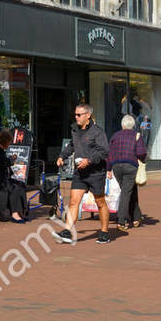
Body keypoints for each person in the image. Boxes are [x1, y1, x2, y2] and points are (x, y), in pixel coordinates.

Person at [54, 103, 111, 244]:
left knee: (100, 202)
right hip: (80, 173)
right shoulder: (75, 130)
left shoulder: (98, 132)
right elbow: (72, 145)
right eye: (75, 114)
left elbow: (104, 151)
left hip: (96, 173)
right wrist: (62, 156)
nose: (76, 117)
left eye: (79, 115)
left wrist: (89, 160)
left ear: (88, 115)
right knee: (73, 202)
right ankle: (67, 232)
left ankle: (104, 232)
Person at [108, 114, 148, 231]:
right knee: (127, 192)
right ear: (133, 125)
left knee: (130, 190)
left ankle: (136, 217)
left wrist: (108, 168)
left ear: (122, 125)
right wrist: (143, 159)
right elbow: (141, 153)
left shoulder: (115, 136)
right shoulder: (137, 136)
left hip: (116, 167)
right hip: (130, 166)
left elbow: (109, 153)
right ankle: (121, 220)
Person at [0, 130, 25, 223]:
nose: (9, 144)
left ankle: (21, 212)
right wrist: (12, 159)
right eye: (9, 142)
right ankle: (13, 213)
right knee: (12, 187)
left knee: (20, 185)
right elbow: (1, 163)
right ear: (5, 141)